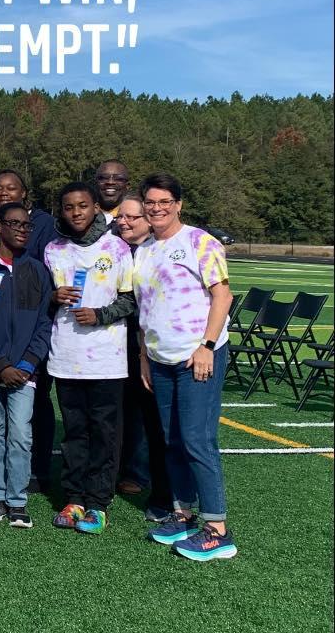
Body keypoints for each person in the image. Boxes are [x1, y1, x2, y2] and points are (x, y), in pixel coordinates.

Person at [134, 173, 237, 561]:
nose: (156, 208)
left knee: (197, 439)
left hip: (197, 355)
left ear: (178, 204)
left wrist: (207, 345)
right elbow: (145, 308)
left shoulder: (199, 241)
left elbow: (222, 295)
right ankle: (183, 514)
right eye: (150, 202)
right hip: (159, 358)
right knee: (171, 439)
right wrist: (144, 355)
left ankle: (217, 530)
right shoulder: (144, 249)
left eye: (164, 201)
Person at [44, 182, 136, 535]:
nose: (76, 212)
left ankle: (98, 502)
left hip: (107, 360)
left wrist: (100, 315)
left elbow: (130, 299)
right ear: (62, 211)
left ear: (96, 207)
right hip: (66, 355)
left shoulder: (116, 247)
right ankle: (74, 497)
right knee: (74, 431)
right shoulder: (53, 249)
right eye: (69, 207)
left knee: (104, 432)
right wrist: (54, 297)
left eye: (82, 205)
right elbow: (42, 300)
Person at [0, 169, 60, 492]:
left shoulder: (37, 271)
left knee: (21, 431)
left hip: (26, 368)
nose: (20, 230)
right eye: (13, 224)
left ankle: (18, 494)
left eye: (25, 225)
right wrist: (0, 364)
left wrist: (28, 363)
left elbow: (43, 320)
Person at [113, 194, 172, 520]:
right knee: (117, 415)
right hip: (113, 347)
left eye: (132, 217)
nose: (123, 222)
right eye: (121, 216)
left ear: (148, 221)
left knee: (154, 422)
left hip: (150, 349)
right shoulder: (112, 248)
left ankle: (161, 494)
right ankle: (115, 475)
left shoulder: (157, 251)